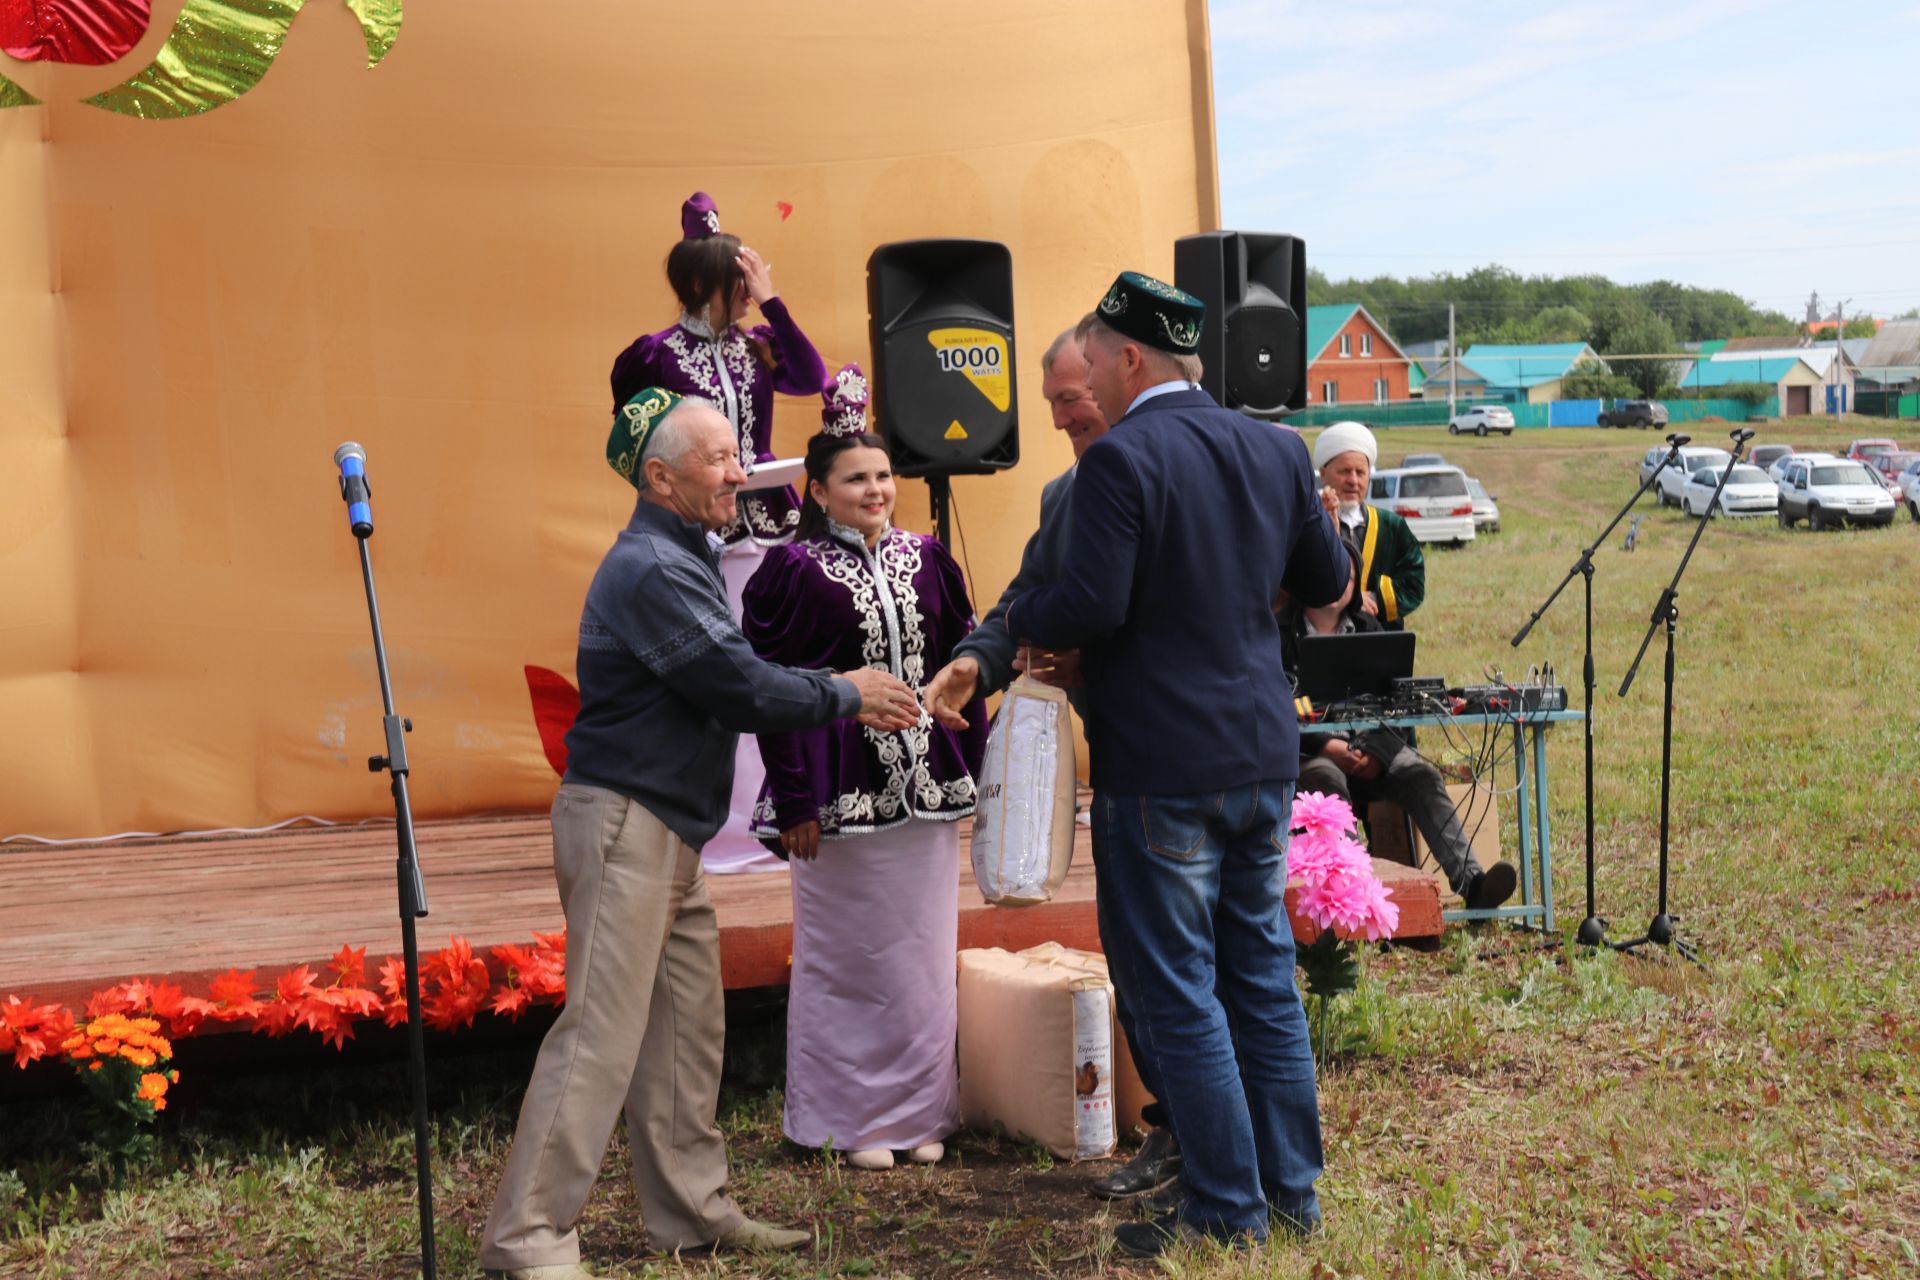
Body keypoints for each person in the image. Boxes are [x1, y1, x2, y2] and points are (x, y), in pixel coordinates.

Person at [478, 389, 922, 1280]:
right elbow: (737, 685)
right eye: (720, 458)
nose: (741, 470)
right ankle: (526, 1238)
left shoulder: (685, 550)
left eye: (737, 452)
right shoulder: (650, 566)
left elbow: (743, 672)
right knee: (602, 1033)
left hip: (666, 828)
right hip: (623, 824)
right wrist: (848, 690)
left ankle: (691, 1213)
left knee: (686, 1026)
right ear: (660, 476)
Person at [1003, 273, 1348, 1257]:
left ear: (1130, 358)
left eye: (1096, 363)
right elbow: (1323, 582)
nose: (1091, 386)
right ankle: (1293, 1195)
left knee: (1178, 988)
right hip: (1259, 748)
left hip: (1161, 761)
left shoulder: (1123, 460)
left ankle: (1224, 1210)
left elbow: (1090, 605)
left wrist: (1025, 617)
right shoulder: (1275, 449)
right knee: (1263, 979)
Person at [922, 323, 1182, 1204]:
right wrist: (977, 659)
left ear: (1119, 373)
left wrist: (1099, 664)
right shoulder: (1066, 493)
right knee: (1140, 963)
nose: (1070, 414)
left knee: (1215, 967)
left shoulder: (1193, 463)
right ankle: (1180, 1132)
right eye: (1057, 405)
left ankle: (1235, 1157)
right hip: (1126, 762)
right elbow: (1029, 598)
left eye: (1078, 394)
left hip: (1199, 755)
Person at [740, 365, 988, 1171]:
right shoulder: (788, 572)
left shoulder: (931, 560)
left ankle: (922, 1113)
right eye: (856, 478)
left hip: (925, 791)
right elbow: (770, 695)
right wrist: (796, 797)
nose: (876, 489)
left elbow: (966, 668)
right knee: (847, 958)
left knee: (919, 956)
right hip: (837, 795)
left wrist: (974, 773)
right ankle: (844, 1120)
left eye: (884, 475)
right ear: (817, 489)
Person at [608, 191, 831, 874]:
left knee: (778, 658)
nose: (746, 295)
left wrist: (773, 302)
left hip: (767, 522)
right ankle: (724, 828)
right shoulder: (653, 355)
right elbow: (632, 435)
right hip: (701, 531)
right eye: (740, 283)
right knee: (721, 667)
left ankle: (779, 812)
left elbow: (812, 376)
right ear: (705, 283)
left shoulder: (759, 346)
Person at [1279, 540, 1518, 911]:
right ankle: (1350, 898)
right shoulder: (1278, 635)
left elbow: (1397, 708)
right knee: (1327, 782)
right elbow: (1273, 710)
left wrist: (1376, 752)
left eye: (1347, 574)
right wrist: (1326, 746)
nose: (1337, 582)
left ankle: (1474, 885)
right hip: (1313, 756)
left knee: (1421, 775)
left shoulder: (1372, 629)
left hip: (1378, 752)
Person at [1311, 421, 1424, 630]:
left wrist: (1372, 598)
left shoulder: (1392, 526)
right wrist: (1351, 599)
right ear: (1323, 473)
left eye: (1360, 472)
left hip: (1379, 637)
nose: (1353, 481)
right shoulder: (1308, 523)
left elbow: (1413, 585)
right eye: (1344, 471)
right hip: (1321, 639)